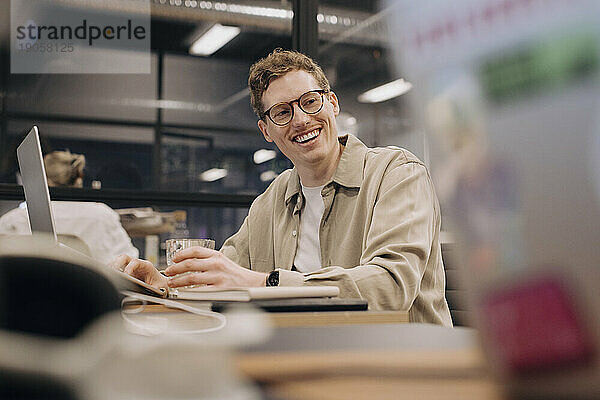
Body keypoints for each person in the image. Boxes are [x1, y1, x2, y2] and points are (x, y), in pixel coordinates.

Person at [114, 49, 452, 325]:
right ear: (266, 131)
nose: (301, 120)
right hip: (305, 352)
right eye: (282, 112)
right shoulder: (274, 197)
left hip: (401, 361)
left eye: (310, 101)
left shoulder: (398, 173)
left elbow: (391, 288)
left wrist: (266, 283)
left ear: (332, 103)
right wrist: (164, 284)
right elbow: (223, 274)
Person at [0, 149, 139, 265]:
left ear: (42, 179)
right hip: (95, 295)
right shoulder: (102, 215)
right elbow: (132, 263)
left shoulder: (15, 219)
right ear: (79, 178)